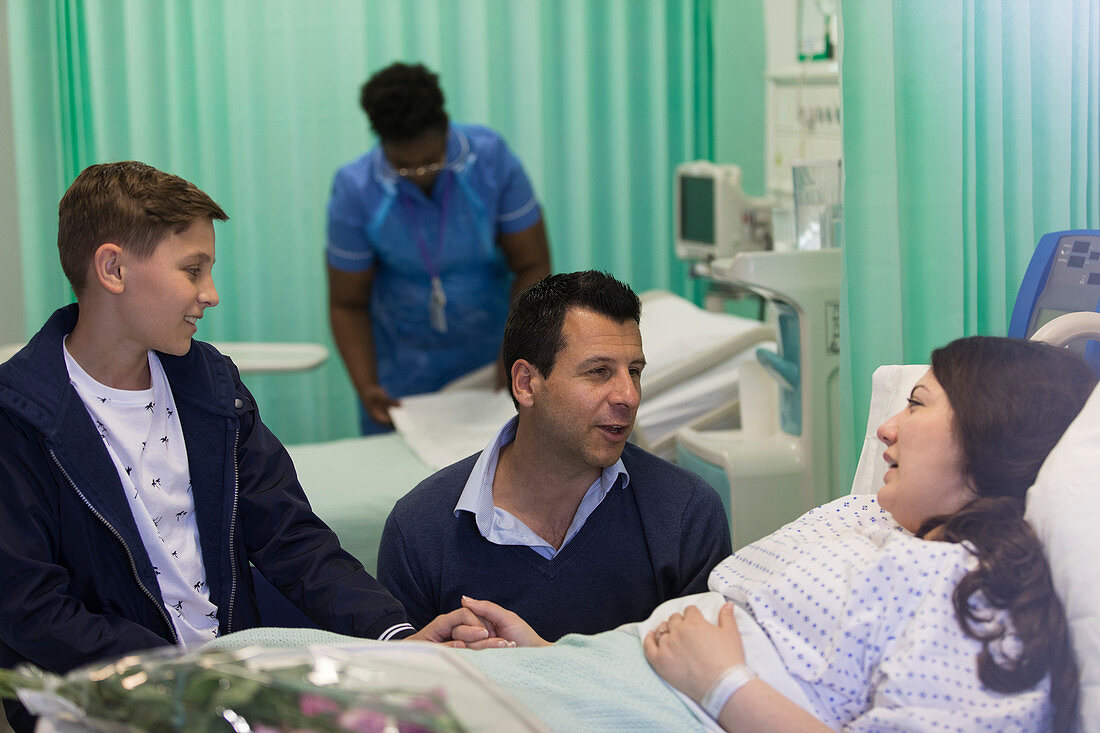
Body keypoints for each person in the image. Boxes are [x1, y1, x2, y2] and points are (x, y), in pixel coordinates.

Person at [0, 162, 505, 732]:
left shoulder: (211, 387)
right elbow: (33, 609)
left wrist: (395, 635)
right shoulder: (19, 420)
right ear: (113, 268)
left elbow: (291, 536)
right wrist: (184, 679)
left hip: (232, 682)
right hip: (103, 698)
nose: (210, 294)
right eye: (193, 270)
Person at [461, 336, 1095, 731]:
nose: (886, 430)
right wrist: (561, 660)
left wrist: (724, 684)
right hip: (608, 683)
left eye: (919, 404)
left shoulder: (975, 594)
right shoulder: (874, 518)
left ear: (990, 434)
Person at [377, 271, 732, 641]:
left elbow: (704, 684)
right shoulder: (419, 529)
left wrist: (543, 660)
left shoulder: (686, 513)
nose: (628, 395)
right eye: (599, 372)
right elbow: (405, 691)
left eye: (634, 371)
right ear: (526, 383)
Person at [327, 61, 551, 434]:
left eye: (431, 161)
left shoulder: (491, 159)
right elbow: (347, 302)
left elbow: (532, 264)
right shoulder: (355, 190)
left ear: (446, 126)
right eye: (403, 167)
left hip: (494, 357)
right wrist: (366, 385)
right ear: (381, 144)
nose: (421, 175)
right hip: (401, 376)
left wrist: (517, 349)